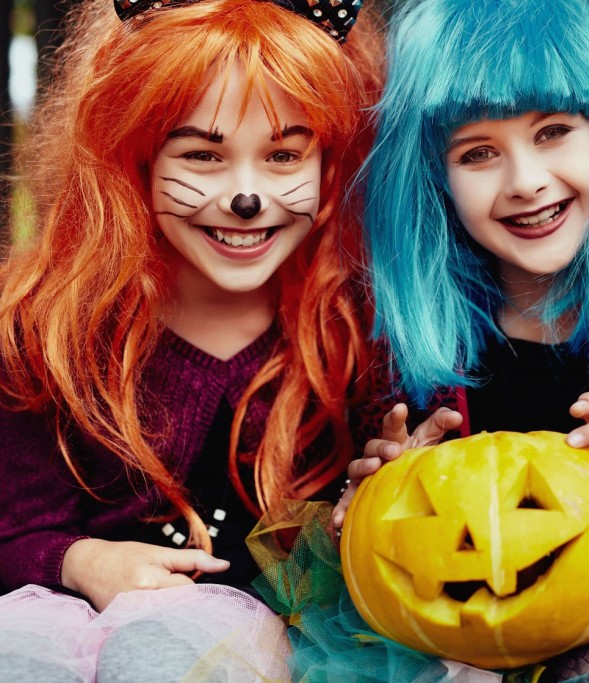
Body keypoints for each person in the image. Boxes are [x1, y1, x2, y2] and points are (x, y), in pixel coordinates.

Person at [252, 0, 589, 681]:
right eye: (478, 152)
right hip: (451, 652)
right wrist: (368, 511)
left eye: (553, 131)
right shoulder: (400, 348)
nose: (527, 181)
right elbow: (395, 570)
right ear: (436, 179)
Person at [0, 0, 383, 678]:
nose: (245, 195)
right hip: (69, 628)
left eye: (284, 155)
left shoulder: (359, 329)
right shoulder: (48, 323)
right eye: (203, 155)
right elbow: (14, 523)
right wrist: (80, 559)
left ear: (330, 164)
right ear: (138, 158)